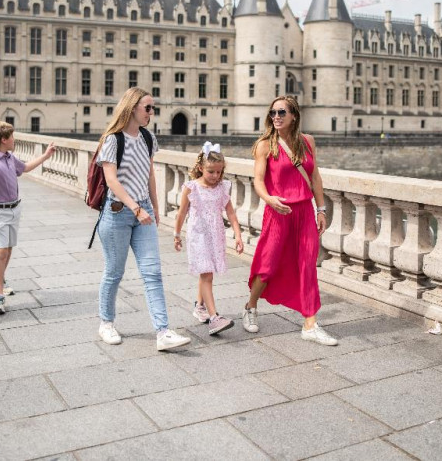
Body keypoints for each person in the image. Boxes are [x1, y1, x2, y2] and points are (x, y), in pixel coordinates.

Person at [95, 87, 191, 351]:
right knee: (114, 272)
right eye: (147, 107)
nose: (151, 112)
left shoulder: (148, 138)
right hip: (117, 213)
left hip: (144, 211)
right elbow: (111, 180)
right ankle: (106, 323)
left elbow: (149, 175)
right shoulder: (113, 140)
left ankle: (163, 331)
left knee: (153, 272)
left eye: (153, 108)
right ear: (132, 107)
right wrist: (136, 208)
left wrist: (154, 207)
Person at [243, 95, 338, 346]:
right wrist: (269, 199)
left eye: (281, 112)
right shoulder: (265, 145)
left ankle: (310, 324)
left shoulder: (308, 142)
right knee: (268, 265)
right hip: (278, 212)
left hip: (304, 212)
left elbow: (315, 177)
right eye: (273, 112)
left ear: (294, 116)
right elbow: (258, 181)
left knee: (307, 265)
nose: (276, 117)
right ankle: (251, 306)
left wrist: (321, 209)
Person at [0, 121, 55, 314]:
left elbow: (25, 168)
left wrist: (45, 156)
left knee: (8, 248)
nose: (14, 139)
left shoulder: (9, 157)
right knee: (1, 251)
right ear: (3, 139)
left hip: (14, 209)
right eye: (12, 136)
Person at [173, 142, 244, 335]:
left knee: (206, 272)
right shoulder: (192, 188)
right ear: (200, 168)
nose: (215, 176)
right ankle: (214, 318)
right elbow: (181, 213)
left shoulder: (222, 188)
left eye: (219, 172)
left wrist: (238, 235)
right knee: (207, 275)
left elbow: (231, 213)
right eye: (211, 171)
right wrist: (177, 235)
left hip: (215, 236)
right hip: (198, 236)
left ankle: (200, 307)